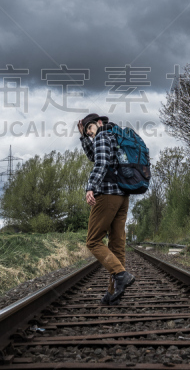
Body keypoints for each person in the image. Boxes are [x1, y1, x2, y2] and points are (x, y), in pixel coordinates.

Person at [78, 113, 135, 305]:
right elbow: (94, 155)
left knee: (93, 241)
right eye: (87, 131)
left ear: (100, 123)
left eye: (90, 129)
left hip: (108, 195)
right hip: (123, 196)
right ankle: (114, 292)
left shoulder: (103, 135)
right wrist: (84, 138)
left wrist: (90, 187)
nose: (91, 134)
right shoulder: (116, 137)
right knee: (117, 244)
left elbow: (100, 163)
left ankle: (120, 274)